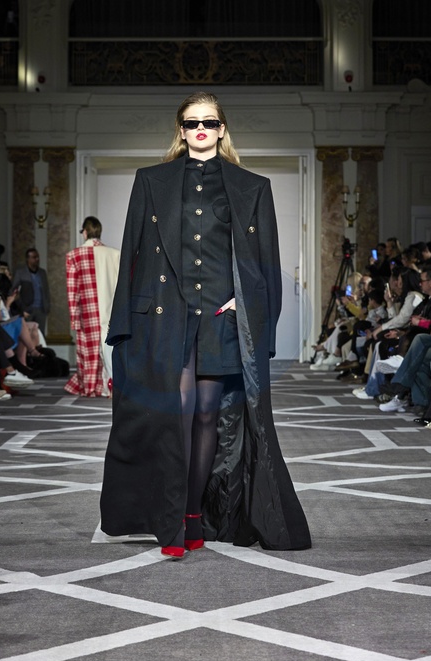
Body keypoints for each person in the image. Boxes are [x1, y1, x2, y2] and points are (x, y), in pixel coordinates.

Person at [100, 91, 311, 557]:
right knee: (177, 412)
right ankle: (175, 519)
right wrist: (123, 325)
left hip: (221, 316)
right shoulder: (151, 180)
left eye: (209, 122)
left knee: (206, 415)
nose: (200, 129)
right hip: (167, 315)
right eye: (192, 122)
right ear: (181, 130)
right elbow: (134, 251)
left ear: (221, 129)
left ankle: (194, 515)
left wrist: (246, 301)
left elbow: (264, 258)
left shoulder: (251, 186)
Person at [65, 216, 120, 397]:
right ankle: (110, 384)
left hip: (87, 311)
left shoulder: (74, 256)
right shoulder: (114, 254)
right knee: (110, 348)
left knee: (89, 352)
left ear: (85, 232)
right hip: (111, 310)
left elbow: (72, 290)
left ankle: (91, 386)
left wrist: (74, 318)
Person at [10, 248, 50, 334]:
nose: (37, 259)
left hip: (41, 309)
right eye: (34, 257)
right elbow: (14, 291)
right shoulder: (20, 273)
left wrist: (47, 305)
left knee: (40, 334)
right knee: (26, 333)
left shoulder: (42, 272)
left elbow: (46, 290)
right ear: (28, 259)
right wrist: (21, 308)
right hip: (27, 309)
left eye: (38, 257)